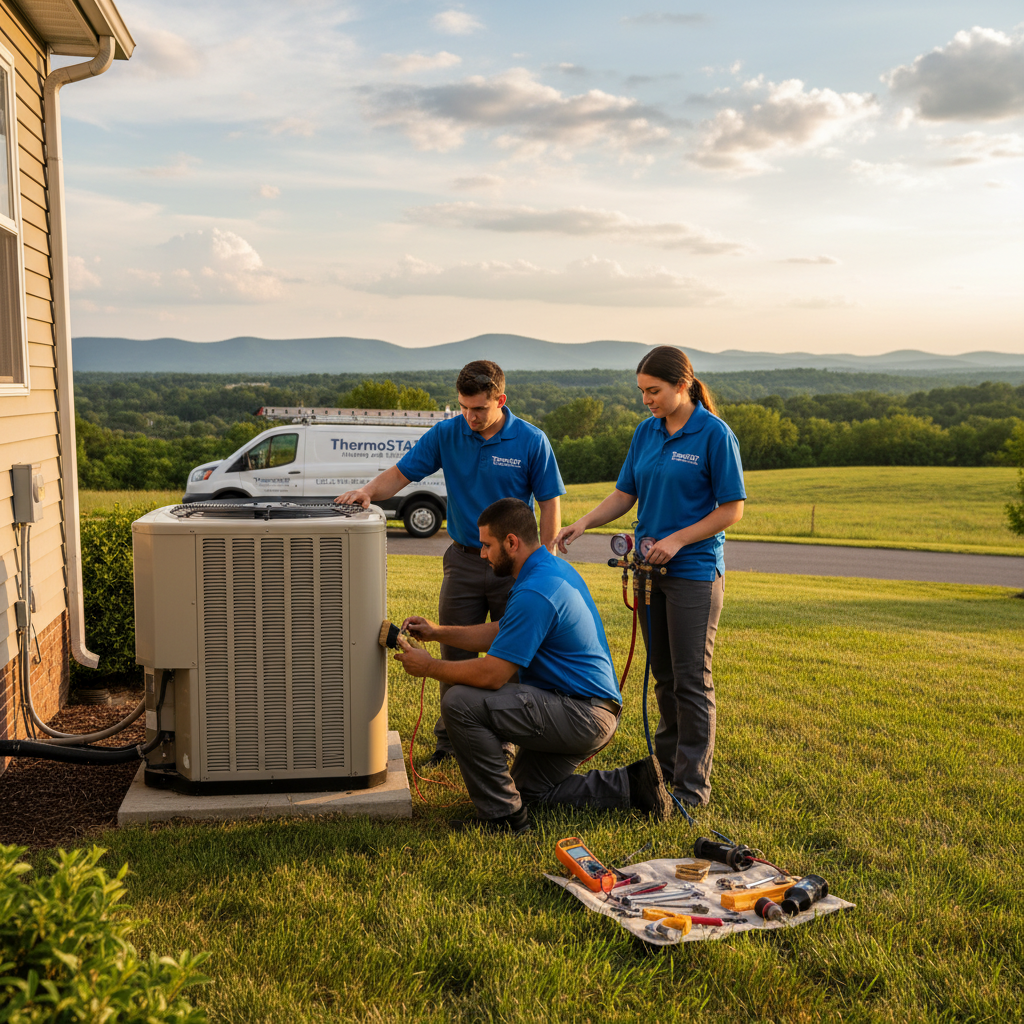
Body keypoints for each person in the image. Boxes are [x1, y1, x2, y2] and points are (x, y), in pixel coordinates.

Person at [394, 498, 674, 832]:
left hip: (581, 715)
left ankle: (503, 819)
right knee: (528, 792)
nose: (482, 554)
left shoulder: (536, 590)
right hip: (587, 710)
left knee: (458, 702)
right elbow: (504, 631)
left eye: (487, 545)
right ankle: (632, 785)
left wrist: (428, 667)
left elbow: (493, 674)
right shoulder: (544, 570)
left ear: (512, 542)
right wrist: (438, 632)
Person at [337, 361, 565, 767]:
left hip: (514, 567)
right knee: (453, 648)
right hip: (463, 559)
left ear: (501, 400)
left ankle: (505, 741)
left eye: (479, 408)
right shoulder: (447, 433)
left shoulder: (531, 440)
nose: (470, 417)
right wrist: (369, 491)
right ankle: (449, 741)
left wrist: (541, 564)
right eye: (464, 407)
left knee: (509, 652)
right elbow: (403, 473)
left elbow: (550, 503)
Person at [555, 346, 745, 808]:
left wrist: (678, 540)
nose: (646, 400)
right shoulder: (647, 433)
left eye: (654, 391)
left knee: (691, 679)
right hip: (647, 572)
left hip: (694, 574)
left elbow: (732, 509)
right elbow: (626, 493)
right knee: (662, 676)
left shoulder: (714, 435)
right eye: (642, 391)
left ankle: (692, 789)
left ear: (683, 385)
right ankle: (665, 773)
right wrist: (583, 522)